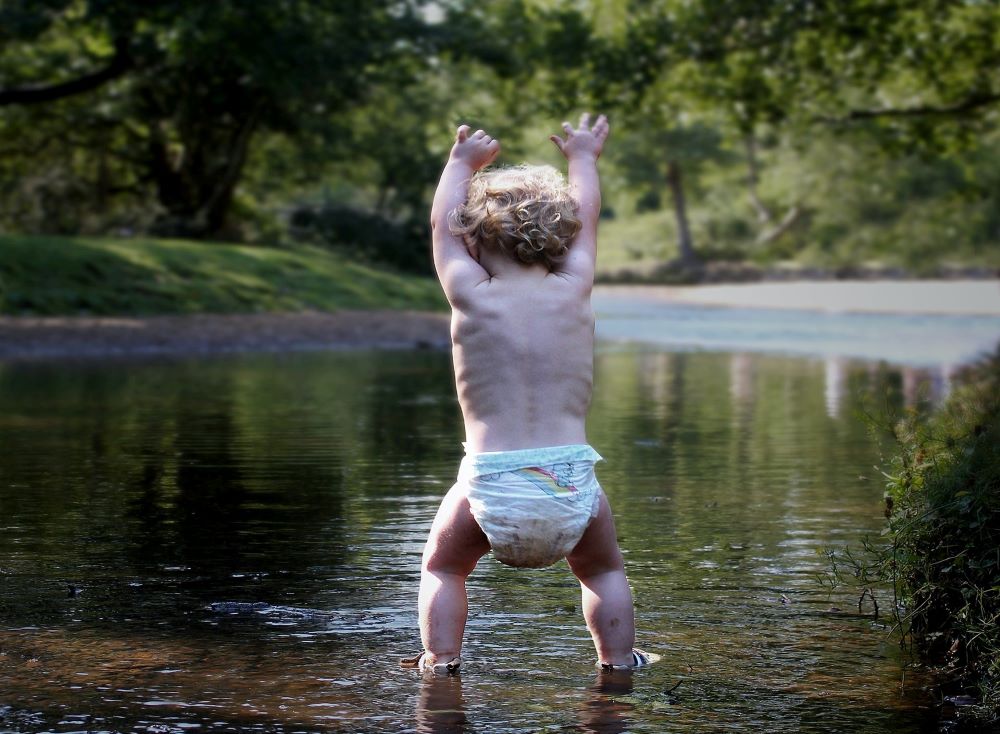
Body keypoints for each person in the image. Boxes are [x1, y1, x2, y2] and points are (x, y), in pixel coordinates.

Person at [402, 114, 655, 674]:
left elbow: (440, 229)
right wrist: (583, 159)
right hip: (570, 479)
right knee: (604, 572)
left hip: (492, 477)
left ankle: (440, 660)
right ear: (562, 236)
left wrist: (459, 164)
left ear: (473, 236)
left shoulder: (470, 291)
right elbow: (588, 217)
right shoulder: (573, 286)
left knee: (443, 568)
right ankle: (617, 660)